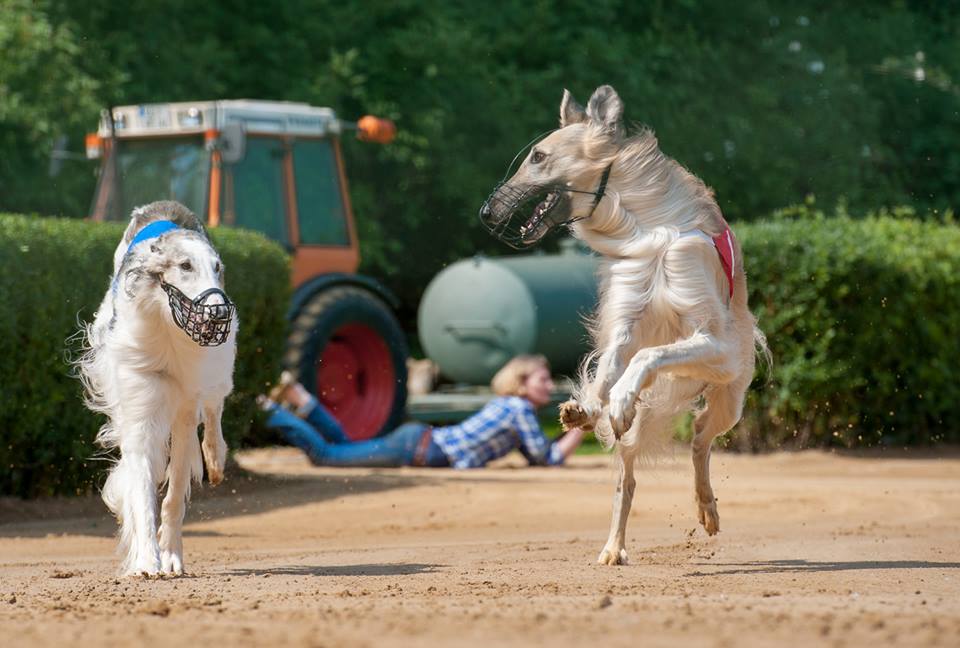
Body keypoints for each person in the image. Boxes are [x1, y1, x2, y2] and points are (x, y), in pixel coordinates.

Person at [258, 354, 587, 468]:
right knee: (326, 456)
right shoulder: (519, 410)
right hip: (420, 448)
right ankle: (269, 409)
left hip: (420, 442)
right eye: (542, 380)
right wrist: (582, 425)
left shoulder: (512, 407)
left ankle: (301, 398)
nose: (548, 386)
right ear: (521, 383)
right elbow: (548, 460)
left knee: (341, 445)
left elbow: (535, 456)